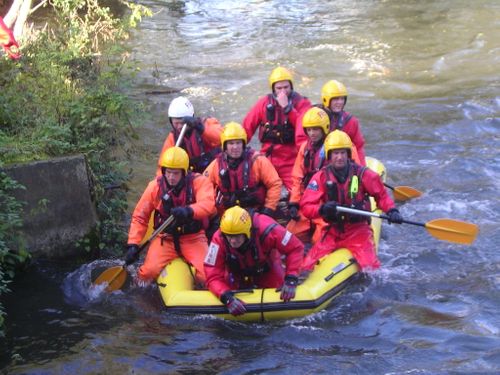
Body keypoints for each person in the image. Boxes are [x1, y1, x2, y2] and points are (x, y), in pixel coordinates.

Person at [299, 130, 403, 271]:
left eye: (343, 153)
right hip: (332, 231)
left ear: (348, 154)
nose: (340, 157)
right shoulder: (321, 177)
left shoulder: (363, 174)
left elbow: (382, 196)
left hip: (358, 230)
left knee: (372, 270)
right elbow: (306, 206)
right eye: (336, 153)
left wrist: (392, 210)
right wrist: (322, 210)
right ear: (329, 156)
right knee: (305, 267)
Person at [126, 146, 216, 284]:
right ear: (163, 171)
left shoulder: (199, 182)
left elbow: (208, 204)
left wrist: (189, 211)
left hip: (193, 237)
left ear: (184, 172)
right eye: (168, 172)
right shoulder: (155, 187)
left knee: (207, 276)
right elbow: (140, 216)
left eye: (175, 173)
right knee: (147, 274)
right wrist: (133, 244)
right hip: (165, 238)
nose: (171, 177)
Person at [204, 206, 304, 316]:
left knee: (282, 293)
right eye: (229, 236)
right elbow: (212, 275)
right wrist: (226, 297)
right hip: (237, 274)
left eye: (237, 236)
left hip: (267, 269)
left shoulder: (268, 228)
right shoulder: (218, 239)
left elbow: (295, 247)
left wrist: (291, 278)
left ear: (247, 232)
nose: (233, 241)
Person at [242, 67, 312, 192]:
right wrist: (236, 148)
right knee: (253, 190)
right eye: (279, 88)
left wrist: (288, 109)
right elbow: (247, 128)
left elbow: (305, 129)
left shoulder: (302, 104)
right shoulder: (264, 103)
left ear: (291, 87)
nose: (283, 92)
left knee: (299, 192)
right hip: (268, 156)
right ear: (273, 89)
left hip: (292, 159)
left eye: (286, 87)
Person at [203, 121, 282, 218]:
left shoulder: (257, 161)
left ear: (243, 144)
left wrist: (268, 209)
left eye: (238, 143)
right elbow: (203, 188)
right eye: (231, 143)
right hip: (227, 216)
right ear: (225, 146)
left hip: (257, 212)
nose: (235, 147)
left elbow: (274, 184)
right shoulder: (216, 165)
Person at [157, 96, 223, 175]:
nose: (179, 127)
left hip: (213, 169)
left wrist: (201, 129)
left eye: (182, 123)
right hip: (194, 175)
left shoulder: (206, 123)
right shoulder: (173, 138)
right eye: (176, 123)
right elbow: (162, 166)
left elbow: (222, 138)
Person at [317, 80, 366, 165]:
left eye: (342, 99)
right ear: (326, 99)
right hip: (319, 163)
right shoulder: (314, 117)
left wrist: (361, 171)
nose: (340, 102)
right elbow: (303, 144)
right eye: (336, 99)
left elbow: (358, 148)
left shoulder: (351, 121)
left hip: (341, 165)